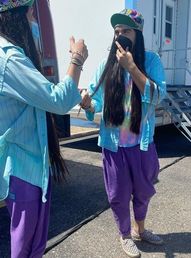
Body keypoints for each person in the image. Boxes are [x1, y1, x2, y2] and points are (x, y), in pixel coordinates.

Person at [0, 0, 88, 257]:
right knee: (25, 245)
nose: (34, 21)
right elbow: (56, 100)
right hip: (22, 168)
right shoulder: (9, 58)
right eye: (30, 14)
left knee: (34, 242)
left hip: (33, 165)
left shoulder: (13, 54)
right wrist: (77, 59)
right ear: (15, 16)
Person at [81, 8, 166, 258]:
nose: (120, 35)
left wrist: (132, 68)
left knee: (143, 191)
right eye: (117, 31)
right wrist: (88, 104)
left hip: (141, 143)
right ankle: (125, 235)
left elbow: (158, 96)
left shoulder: (151, 61)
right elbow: (96, 102)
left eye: (126, 30)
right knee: (118, 194)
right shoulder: (107, 65)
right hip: (113, 145)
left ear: (137, 34)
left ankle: (140, 229)